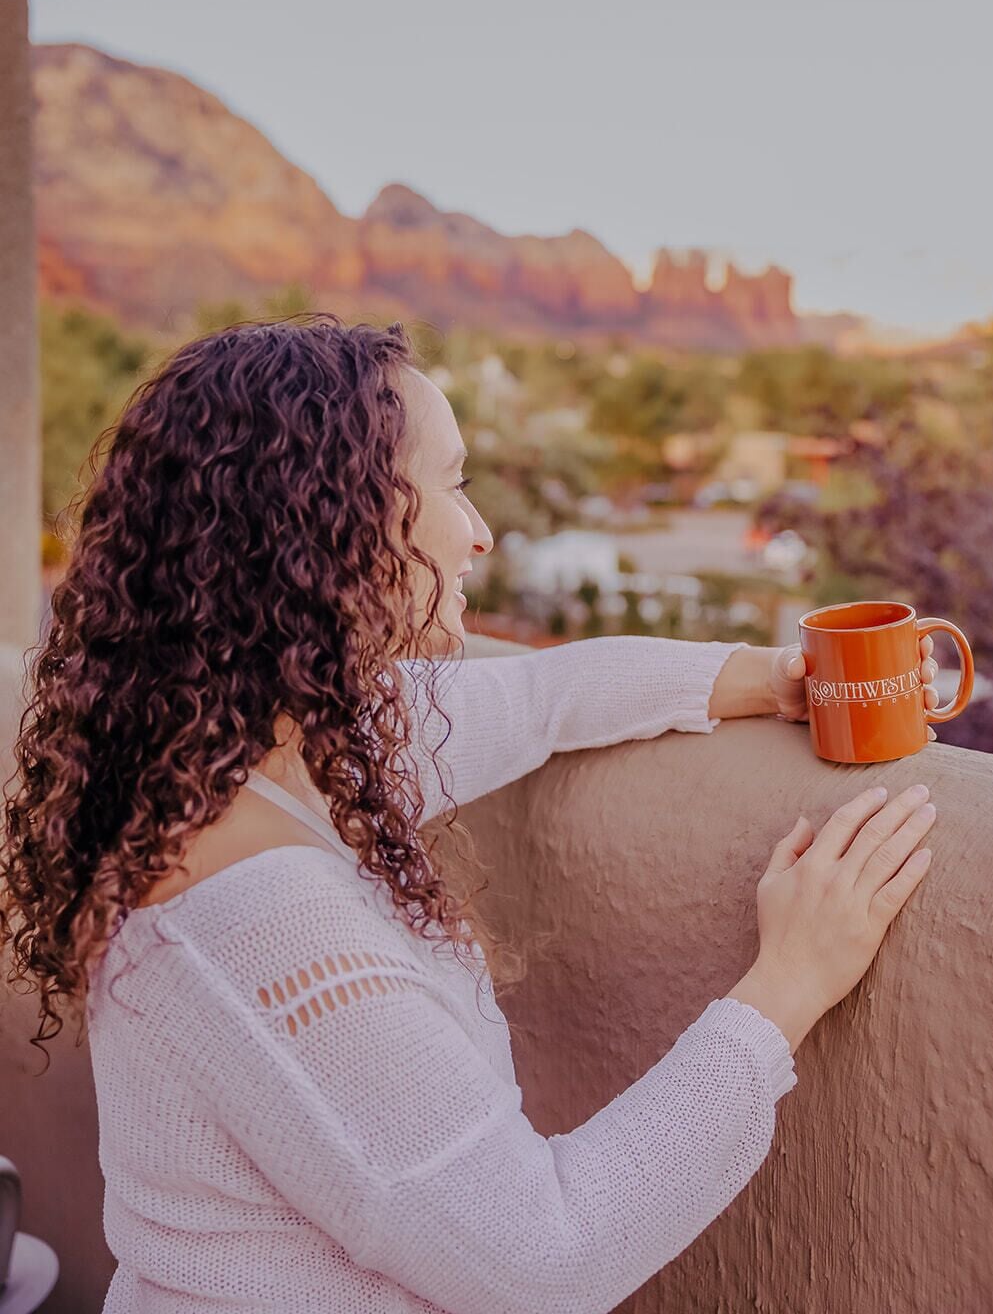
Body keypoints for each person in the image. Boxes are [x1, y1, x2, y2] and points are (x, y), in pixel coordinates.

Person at [0, 316, 940, 1314]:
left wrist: (767, 678)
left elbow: (540, 700)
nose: (479, 530)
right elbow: (546, 1260)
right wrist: (787, 982)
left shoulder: (238, 750)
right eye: (449, 483)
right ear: (329, 522)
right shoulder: (264, 922)